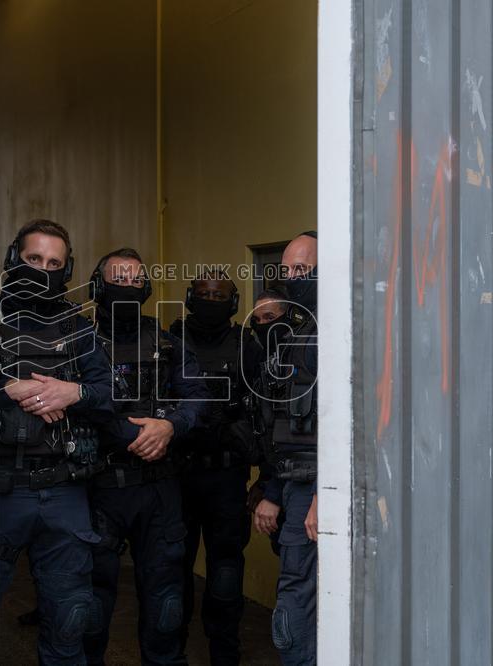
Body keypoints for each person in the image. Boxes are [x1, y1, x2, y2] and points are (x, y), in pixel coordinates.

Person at [0, 220, 114, 665]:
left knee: (70, 616)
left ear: (66, 270)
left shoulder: (78, 329)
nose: (42, 270)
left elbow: (109, 394)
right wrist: (6, 389)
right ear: (14, 259)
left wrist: (73, 392)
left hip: (64, 490)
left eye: (53, 264)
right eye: (33, 259)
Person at [83, 248, 209, 666]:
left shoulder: (167, 343)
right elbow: (75, 405)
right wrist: (134, 434)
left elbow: (197, 396)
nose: (128, 287)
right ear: (98, 286)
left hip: (159, 489)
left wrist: (171, 426)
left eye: (136, 280)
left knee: (166, 604)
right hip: (99, 488)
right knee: (89, 605)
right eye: (118, 279)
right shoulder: (79, 343)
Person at [169, 273, 263, 665]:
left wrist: (264, 474)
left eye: (218, 296)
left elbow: (265, 410)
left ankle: (225, 654)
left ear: (233, 303)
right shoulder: (170, 341)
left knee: (225, 571)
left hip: (226, 478)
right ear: (190, 298)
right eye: (204, 294)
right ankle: (171, 652)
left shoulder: (247, 346)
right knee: (173, 570)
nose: (211, 301)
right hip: (178, 476)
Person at [256, 232, 319, 665]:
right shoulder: (300, 334)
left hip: (318, 492)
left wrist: (323, 493)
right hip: (296, 487)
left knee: (298, 609)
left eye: (302, 269)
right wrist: (274, 492)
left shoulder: (344, 331)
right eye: (288, 270)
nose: (293, 278)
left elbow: (348, 424)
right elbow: (287, 427)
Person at [245, 288, 289, 556]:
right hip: (276, 478)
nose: (262, 325)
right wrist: (264, 481)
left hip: (297, 483)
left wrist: (273, 492)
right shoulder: (263, 362)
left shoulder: (299, 360)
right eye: (257, 320)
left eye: (270, 318)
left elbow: (294, 439)